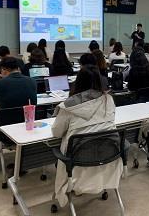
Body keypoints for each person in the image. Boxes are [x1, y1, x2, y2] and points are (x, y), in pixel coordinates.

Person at [51, 64, 120, 208]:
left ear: (78, 81)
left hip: (77, 163)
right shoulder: (109, 100)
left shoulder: (69, 106)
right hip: (107, 159)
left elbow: (56, 133)